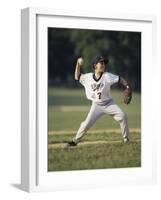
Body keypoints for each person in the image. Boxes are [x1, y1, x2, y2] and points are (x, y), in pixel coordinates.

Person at [68, 55, 132, 146]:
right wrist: (78, 64)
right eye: (101, 62)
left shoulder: (107, 76)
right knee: (86, 124)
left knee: (123, 116)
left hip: (109, 103)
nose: (103, 64)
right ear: (95, 65)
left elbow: (120, 79)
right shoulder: (88, 77)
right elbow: (77, 76)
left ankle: (126, 138)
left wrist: (127, 86)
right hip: (96, 105)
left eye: (104, 63)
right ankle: (75, 141)